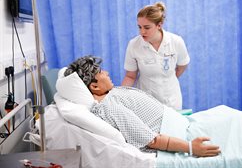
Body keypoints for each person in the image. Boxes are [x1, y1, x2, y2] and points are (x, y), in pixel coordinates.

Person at [64, 55, 220, 157]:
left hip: (183, 124)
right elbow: (151, 139)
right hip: (180, 134)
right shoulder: (109, 107)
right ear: (95, 87)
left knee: (225, 115)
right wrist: (190, 148)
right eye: (101, 73)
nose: (106, 72)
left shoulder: (111, 94)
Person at [121, 2, 190, 110]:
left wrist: (167, 79)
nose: (142, 32)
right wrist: (119, 96)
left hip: (172, 100)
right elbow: (130, 76)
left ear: (159, 25)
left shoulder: (176, 41)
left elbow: (183, 65)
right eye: (139, 27)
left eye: (147, 27)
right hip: (146, 102)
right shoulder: (134, 45)